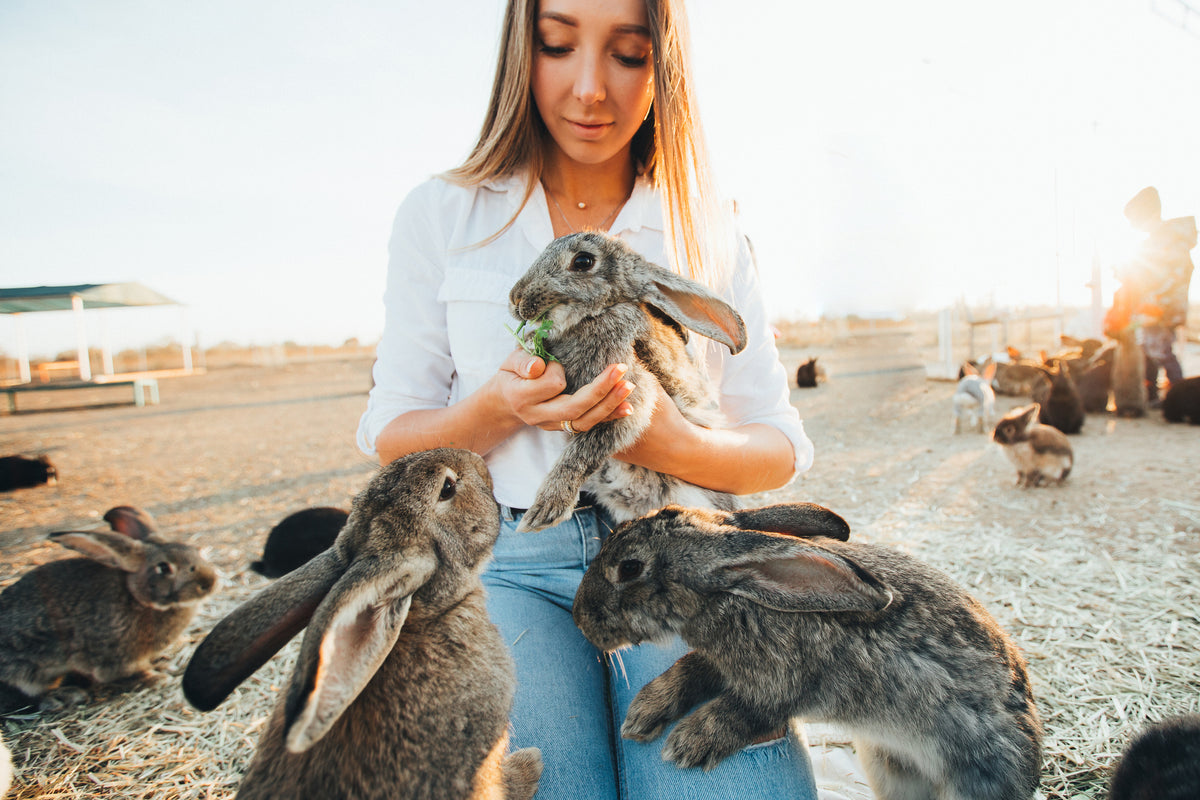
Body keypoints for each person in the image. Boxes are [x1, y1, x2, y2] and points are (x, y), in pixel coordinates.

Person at [357, 0, 817, 797]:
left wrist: (668, 441)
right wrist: (496, 411)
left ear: (662, 66)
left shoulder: (706, 226)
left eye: (628, 54)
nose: (589, 89)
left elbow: (776, 446)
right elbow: (391, 432)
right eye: (558, 46)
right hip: (511, 558)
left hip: (678, 549)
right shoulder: (443, 213)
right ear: (520, 51)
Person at [1120, 186, 1196, 404]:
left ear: (1146, 215)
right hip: (1153, 308)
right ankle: (1152, 395)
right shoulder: (1158, 241)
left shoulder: (1170, 242)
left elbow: (1172, 278)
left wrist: (1156, 304)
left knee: (1160, 351)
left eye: (1134, 219)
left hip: (1162, 309)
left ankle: (1182, 397)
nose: (1133, 226)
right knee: (1148, 350)